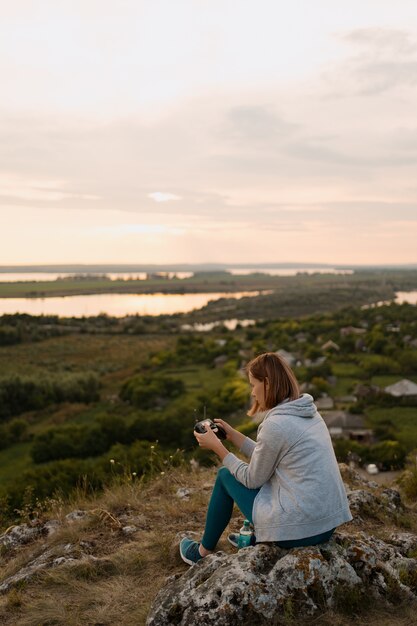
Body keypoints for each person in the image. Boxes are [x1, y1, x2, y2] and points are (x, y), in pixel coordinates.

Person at [179, 352, 352, 565]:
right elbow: (268, 454)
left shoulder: (276, 425)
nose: (252, 392)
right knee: (260, 481)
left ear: (267, 383)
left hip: (302, 530)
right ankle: (259, 537)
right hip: (325, 524)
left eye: (254, 385)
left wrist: (218, 448)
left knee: (225, 476)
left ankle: (202, 553)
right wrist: (233, 435)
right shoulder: (308, 413)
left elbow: (253, 479)